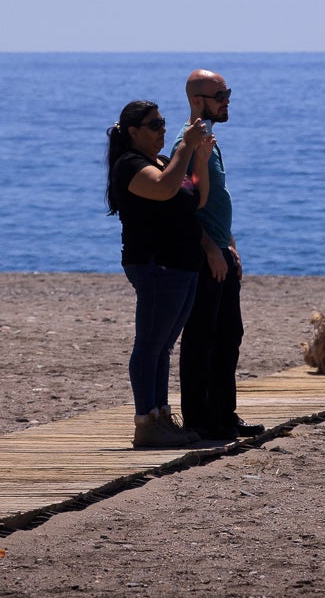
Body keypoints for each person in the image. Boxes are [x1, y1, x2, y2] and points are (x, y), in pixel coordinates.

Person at [107, 100, 215, 448]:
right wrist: (185, 145)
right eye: (155, 125)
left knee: (163, 345)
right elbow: (165, 188)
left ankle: (162, 417)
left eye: (164, 122)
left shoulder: (163, 162)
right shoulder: (130, 165)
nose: (162, 129)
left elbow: (195, 199)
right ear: (134, 131)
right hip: (155, 264)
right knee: (149, 344)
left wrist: (198, 157)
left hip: (182, 264)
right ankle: (145, 422)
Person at [172, 70, 265, 440]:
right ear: (198, 100)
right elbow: (186, 205)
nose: (227, 99)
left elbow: (218, 204)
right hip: (203, 253)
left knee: (229, 334)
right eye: (220, 94)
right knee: (202, 337)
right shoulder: (188, 142)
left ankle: (224, 414)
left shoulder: (208, 138)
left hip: (221, 250)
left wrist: (231, 245)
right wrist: (211, 247)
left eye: (229, 92)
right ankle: (200, 418)